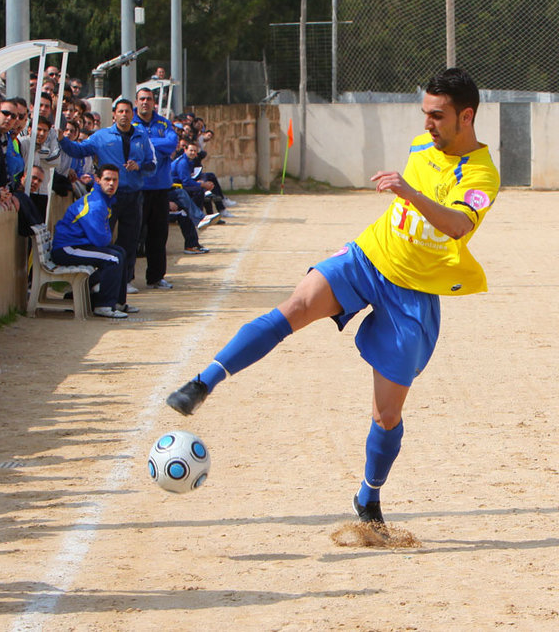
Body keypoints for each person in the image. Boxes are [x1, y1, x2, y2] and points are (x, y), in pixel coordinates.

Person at [166, 68, 500, 527]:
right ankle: (202, 383)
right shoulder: (422, 145)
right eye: (424, 113)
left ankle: (369, 496)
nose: (427, 124)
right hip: (368, 258)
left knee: (387, 415)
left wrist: (408, 192)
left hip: (414, 294)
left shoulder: (482, 174)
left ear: (467, 117)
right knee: (296, 306)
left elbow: (459, 225)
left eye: (437, 116)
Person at [59, 98, 156, 295]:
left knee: (130, 239)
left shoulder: (142, 136)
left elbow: (152, 164)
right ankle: (97, 280)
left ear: (133, 114)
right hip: (109, 196)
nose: (124, 115)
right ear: (114, 115)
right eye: (120, 111)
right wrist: (62, 139)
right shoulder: (101, 136)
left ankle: (126, 280)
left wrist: (139, 166)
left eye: (127, 111)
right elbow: (79, 150)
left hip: (134, 194)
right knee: (103, 238)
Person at [52, 164, 138, 319]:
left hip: (79, 245)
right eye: (107, 179)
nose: (111, 184)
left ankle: (118, 303)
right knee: (113, 259)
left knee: (120, 252)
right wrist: (106, 235)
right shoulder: (95, 204)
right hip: (67, 248)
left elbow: (103, 237)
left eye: (115, 180)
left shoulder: (103, 200)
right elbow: (100, 239)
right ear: (97, 180)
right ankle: (104, 306)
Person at [133, 87, 178, 289]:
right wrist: (157, 146)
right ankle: (127, 279)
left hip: (160, 187)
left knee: (158, 235)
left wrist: (146, 143)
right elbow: (133, 148)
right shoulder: (131, 123)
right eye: (142, 99)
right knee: (133, 234)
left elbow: (172, 144)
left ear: (154, 102)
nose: (145, 102)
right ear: (136, 102)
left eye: (149, 99)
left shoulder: (164, 123)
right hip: (138, 187)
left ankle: (156, 277)